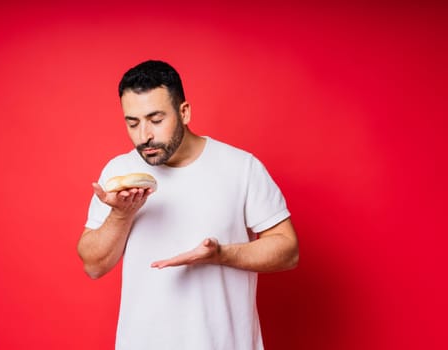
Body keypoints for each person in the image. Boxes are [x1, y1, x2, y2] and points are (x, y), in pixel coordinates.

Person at [77, 60, 299, 350]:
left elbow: (288, 251)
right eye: (133, 123)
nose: (144, 136)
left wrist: (220, 254)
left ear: (184, 112)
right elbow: (93, 265)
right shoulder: (119, 172)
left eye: (156, 120)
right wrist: (122, 214)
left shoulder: (241, 167)